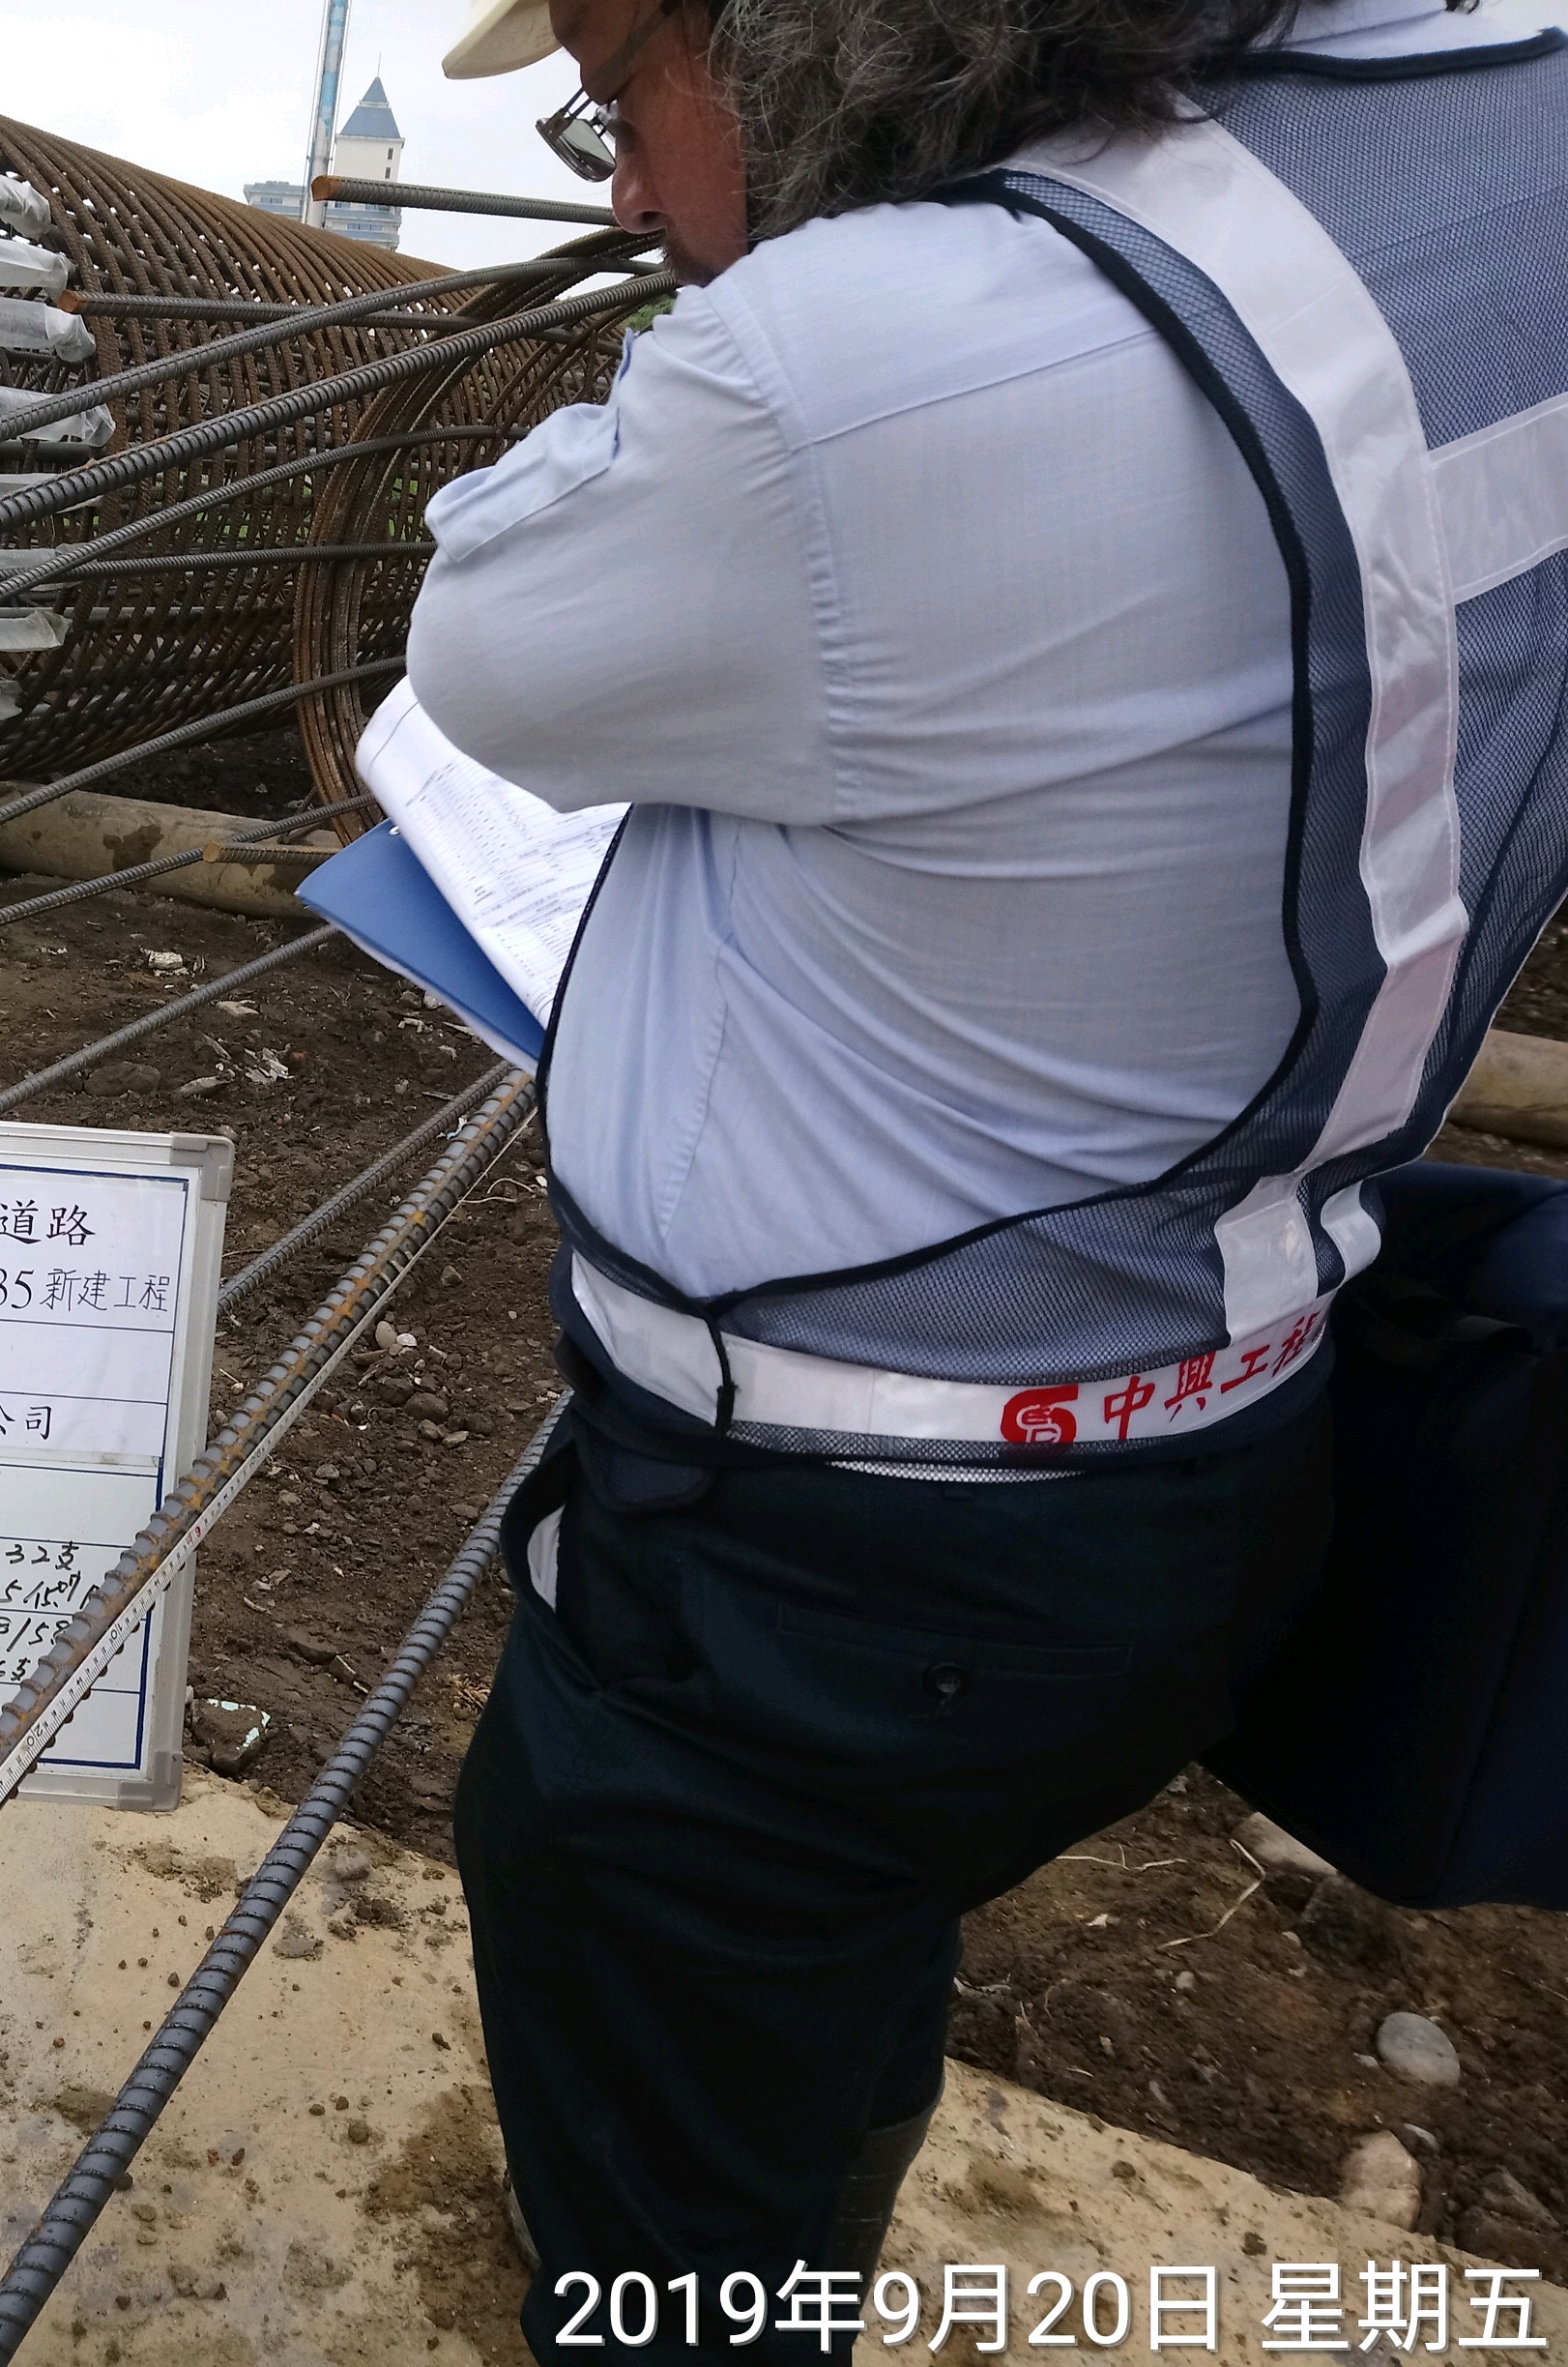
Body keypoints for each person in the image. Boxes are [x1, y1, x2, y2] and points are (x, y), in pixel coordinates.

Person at [411, 0, 1568, 2355]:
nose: (621, 195)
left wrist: (824, 267)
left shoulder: (881, 360)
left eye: (618, 98)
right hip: (1220, 1437)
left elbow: (483, 645)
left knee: (652, 2014)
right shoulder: (1518, 118)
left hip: (826, 1577)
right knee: (835, 1942)